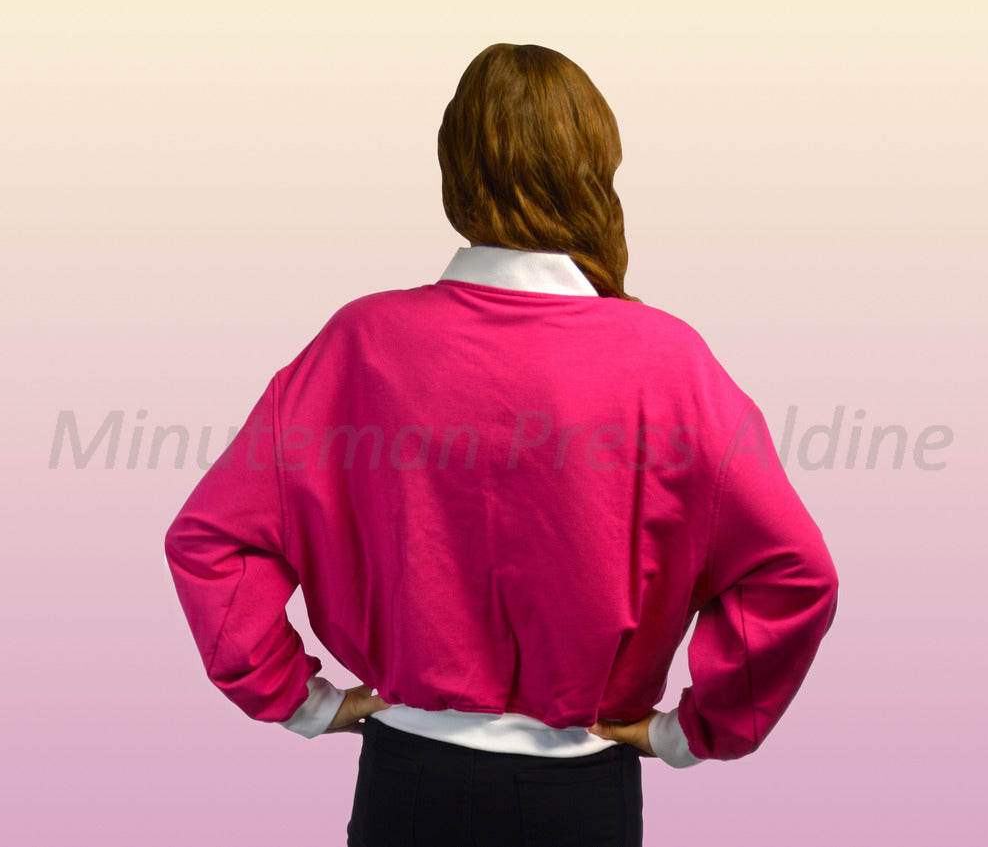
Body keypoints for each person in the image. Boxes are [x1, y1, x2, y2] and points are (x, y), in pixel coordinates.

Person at [164, 43, 840, 846]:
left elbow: (213, 539)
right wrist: (690, 732)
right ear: (596, 169)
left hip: (407, 784)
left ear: (455, 168)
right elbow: (795, 574)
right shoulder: (668, 362)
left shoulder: (362, 341)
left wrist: (303, 702)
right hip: (579, 796)